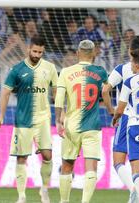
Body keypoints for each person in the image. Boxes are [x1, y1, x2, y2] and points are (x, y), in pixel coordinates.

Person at [0, 36, 58, 203]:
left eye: (40, 52)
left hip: (43, 119)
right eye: (35, 51)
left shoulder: (50, 68)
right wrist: (1, 115)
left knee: (47, 156)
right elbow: (6, 92)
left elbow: (56, 92)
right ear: (28, 49)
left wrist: (60, 115)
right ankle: (21, 196)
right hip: (23, 120)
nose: (37, 54)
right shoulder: (17, 69)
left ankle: (44, 190)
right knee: (21, 157)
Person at [101, 35, 139, 202]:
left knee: (119, 161)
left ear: (129, 50)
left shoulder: (122, 69)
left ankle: (135, 191)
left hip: (128, 118)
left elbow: (105, 90)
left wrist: (112, 112)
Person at [54, 40, 109, 203]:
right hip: (92, 126)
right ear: (94, 54)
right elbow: (106, 92)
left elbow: (58, 99)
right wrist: (112, 110)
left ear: (78, 53)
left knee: (67, 165)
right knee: (91, 168)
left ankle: (64, 201)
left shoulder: (65, 72)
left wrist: (58, 121)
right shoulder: (101, 72)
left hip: (71, 126)